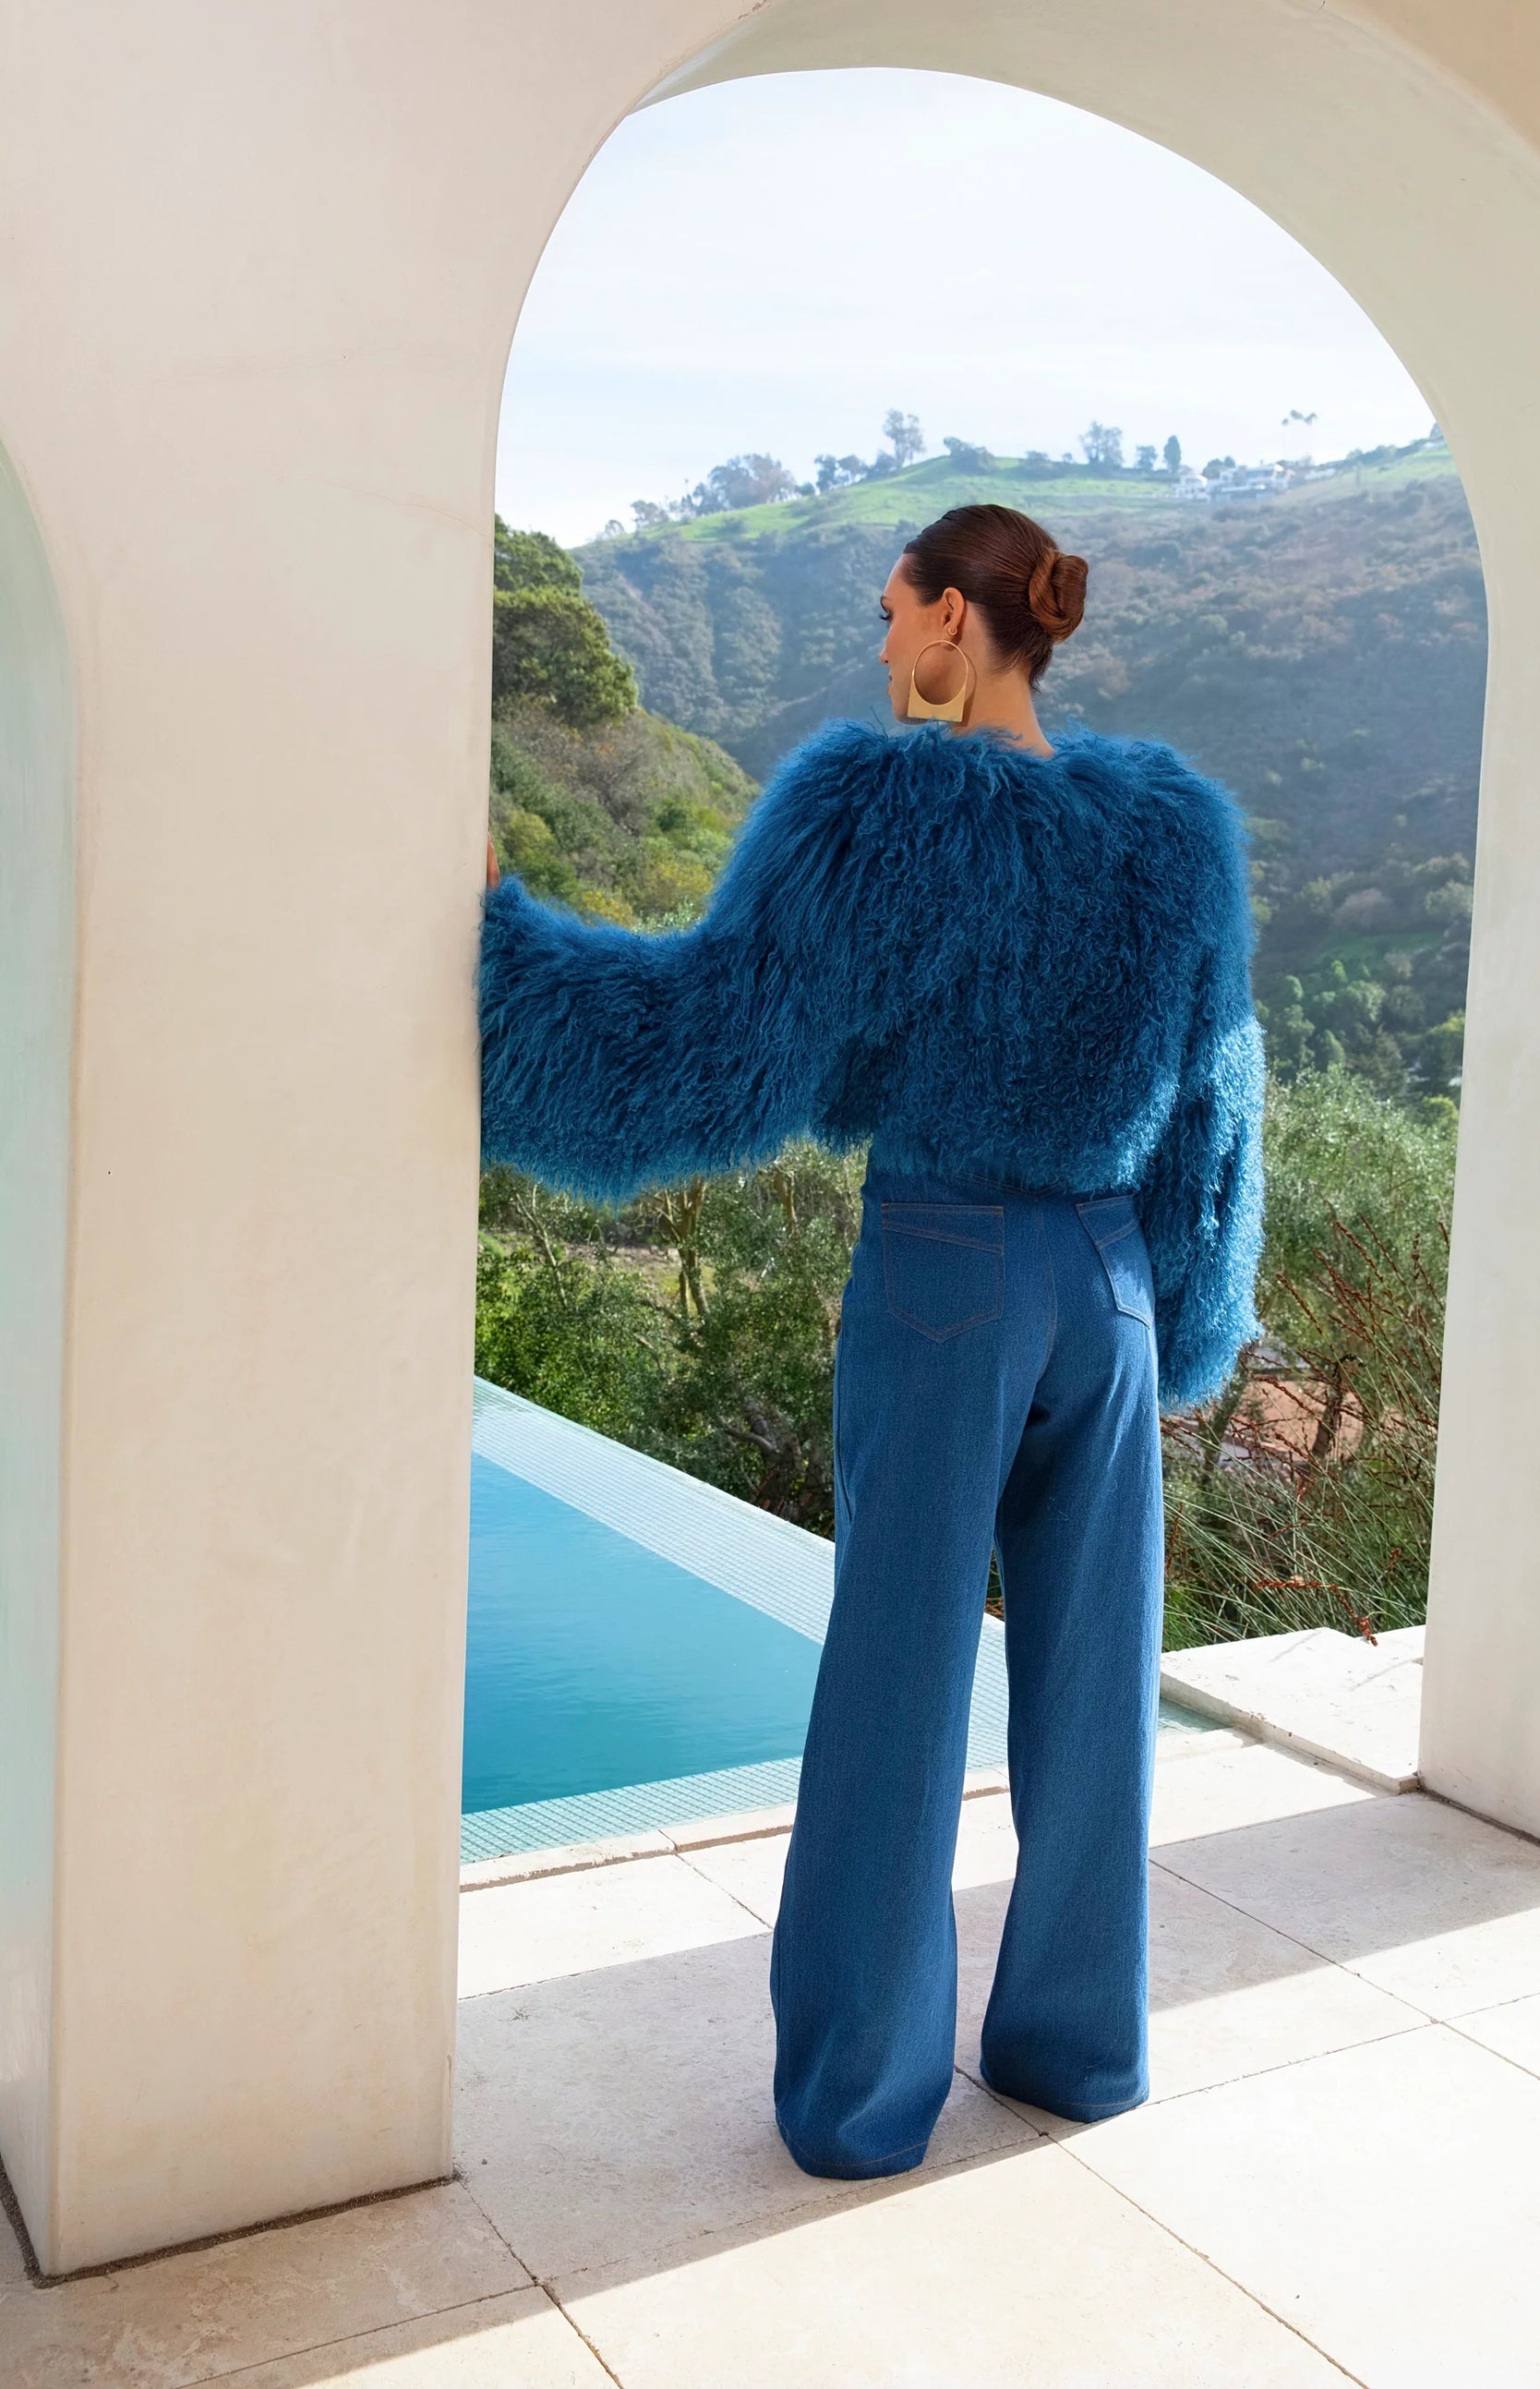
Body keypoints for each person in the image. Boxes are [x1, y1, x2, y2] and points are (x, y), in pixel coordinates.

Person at [476, 501, 1265, 2181]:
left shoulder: (882, 808)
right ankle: (1078, 2051)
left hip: (948, 1268)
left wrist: (509, 959)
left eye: (893, 612)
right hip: (1114, 1285)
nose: (883, 642)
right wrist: (1187, 1316)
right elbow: (1218, 1098)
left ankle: (861, 2102)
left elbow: (714, 1043)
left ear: (955, 625)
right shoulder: (1175, 833)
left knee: (901, 1685)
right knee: (1095, 1686)